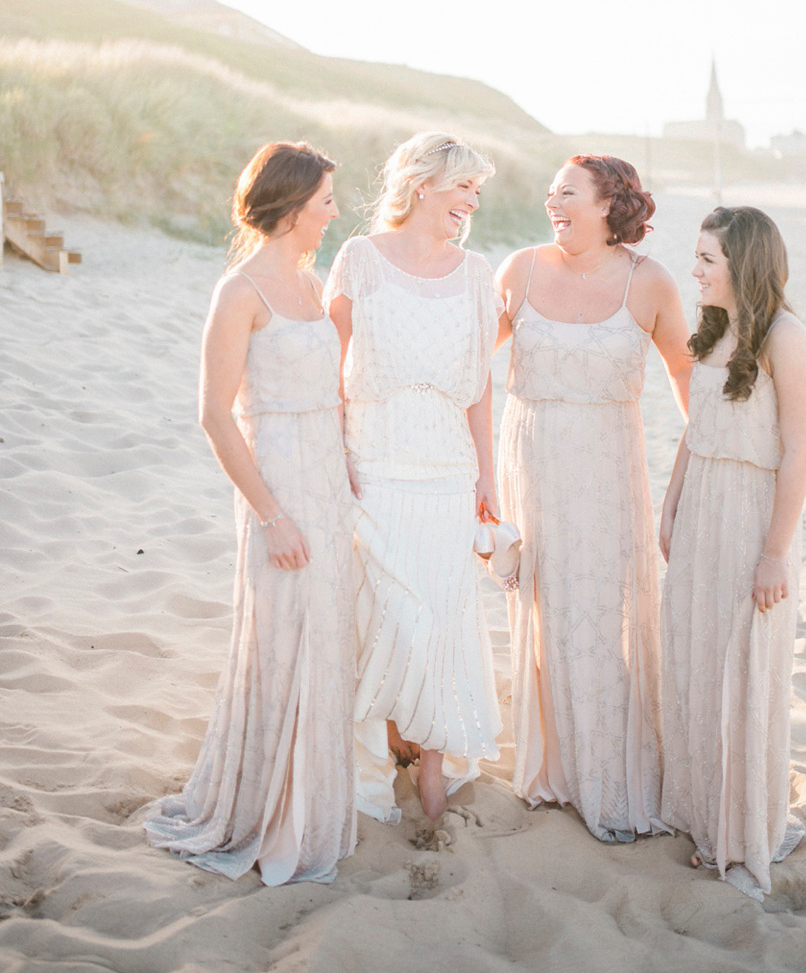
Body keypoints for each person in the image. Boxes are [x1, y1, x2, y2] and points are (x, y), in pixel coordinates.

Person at [145, 142, 357, 884]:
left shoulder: (312, 279)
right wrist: (272, 515)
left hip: (329, 484)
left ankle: (309, 804)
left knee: (327, 641)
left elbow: (334, 392)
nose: (334, 213)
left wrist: (349, 466)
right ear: (293, 206)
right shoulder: (241, 292)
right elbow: (214, 415)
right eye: (327, 201)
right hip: (280, 491)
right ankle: (261, 812)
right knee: (280, 646)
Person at [496, 155, 691, 841]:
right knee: (546, 611)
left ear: (609, 204)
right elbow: (463, 365)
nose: (554, 203)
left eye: (568, 193)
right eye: (550, 192)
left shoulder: (651, 282)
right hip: (532, 463)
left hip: (610, 468)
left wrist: (706, 471)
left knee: (600, 612)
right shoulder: (519, 270)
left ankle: (608, 767)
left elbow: (688, 378)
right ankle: (555, 769)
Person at [326, 132, 502, 824]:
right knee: (387, 619)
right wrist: (335, 452)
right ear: (423, 183)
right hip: (375, 465)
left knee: (445, 622)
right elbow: (329, 368)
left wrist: (488, 478)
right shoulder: (360, 260)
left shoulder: (476, 272)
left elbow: (482, 389)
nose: (471, 203)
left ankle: (431, 767)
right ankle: (377, 755)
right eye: (463, 187)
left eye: (477, 193)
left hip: (448, 471)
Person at [659, 205, 806, 900]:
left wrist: (775, 554)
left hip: (753, 519)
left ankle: (745, 833)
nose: (693, 270)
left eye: (706, 260)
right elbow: (696, 431)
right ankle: (709, 822)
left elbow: (800, 449)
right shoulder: (713, 331)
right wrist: (670, 507)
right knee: (697, 664)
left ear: (741, 264)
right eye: (694, 258)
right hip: (700, 513)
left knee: (743, 673)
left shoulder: (786, 335)